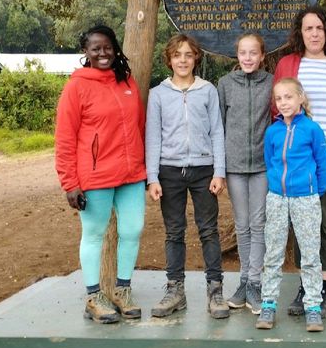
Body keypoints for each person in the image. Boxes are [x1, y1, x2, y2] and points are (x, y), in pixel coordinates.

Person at [55, 24, 146, 324]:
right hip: (95, 177)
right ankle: (94, 297)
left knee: (132, 231)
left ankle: (122, 290)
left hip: (131, 174)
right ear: (86, 52)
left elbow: (139, 126)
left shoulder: (127, 81)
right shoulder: (76, 87)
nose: (103, 53)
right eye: (96, 48)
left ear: (115, 48)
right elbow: (65, 139)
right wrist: (70, 183)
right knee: (93, 234)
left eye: (107, 47)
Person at [273, 5, 326, 318]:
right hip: (297, 161)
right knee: (302, 227)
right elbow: (277, 111)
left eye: (320, 28)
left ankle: (323, 291)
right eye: (308, 28)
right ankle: (305, 287)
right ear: (300, 33)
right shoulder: (288, 65)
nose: (315, 33)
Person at [146, 34, 230, 319]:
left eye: (188, 55)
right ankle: (175, 289)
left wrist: (219, 170)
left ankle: (215, 289)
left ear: (196, 58)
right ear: (169, 59)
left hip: (203, 169)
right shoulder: (158, 94)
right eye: (177, 55)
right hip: (169, 170)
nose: (183, 60)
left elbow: (217, 131)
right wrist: (152, 177)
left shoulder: (207, 91)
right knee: (174, 231)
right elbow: (153, 137)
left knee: (208, 229)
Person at [256, 78, 326, 333]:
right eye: (279, 99)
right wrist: (276, 186)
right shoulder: (272, 132)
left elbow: (324, 166)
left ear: (300, 98)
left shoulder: (312, 129)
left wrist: (312, 190)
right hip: (277, 199)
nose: (284, 103)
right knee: (273, 253)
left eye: (288, 97)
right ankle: (268, 304)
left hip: (306, 199)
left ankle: (313, 307)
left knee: (310, 254)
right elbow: (270, 161)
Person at [217, 34, 273, 314]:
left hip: (262, 166)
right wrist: (219, 168)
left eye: (253, 53)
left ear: (262, 55)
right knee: (242, 225)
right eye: (243, 53)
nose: (248, 58)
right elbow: (218, 127)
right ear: (236, 56)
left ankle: (255, 283)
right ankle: (243, 281)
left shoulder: (271, 83)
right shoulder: (225, 85)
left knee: (259, 223)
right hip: (234, 166)